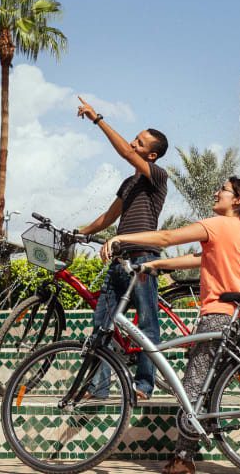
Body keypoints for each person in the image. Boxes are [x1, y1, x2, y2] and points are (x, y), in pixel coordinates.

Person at [101, 176, 240, 474]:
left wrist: (121, 239)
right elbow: (202, 258)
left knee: (194, 387)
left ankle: (182, 459)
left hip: (221, 316)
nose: (216, 192)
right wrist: (157, 265)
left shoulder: (217, 225)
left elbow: (167, 237)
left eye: (223, 189)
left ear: (236, 200)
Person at [76, 96, 169, 400]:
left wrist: (97, 119)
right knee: (102, 325)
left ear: (152, 155)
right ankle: (98, 388)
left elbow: (127, 154)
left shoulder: (157, 177)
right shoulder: (129, 183)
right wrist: (79, 232)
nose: (132, 143)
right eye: (134, 139)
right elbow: (109, 216)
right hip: (118, 262)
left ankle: (144, 385)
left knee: (147, 323)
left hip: (142, 260)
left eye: (139, 143)